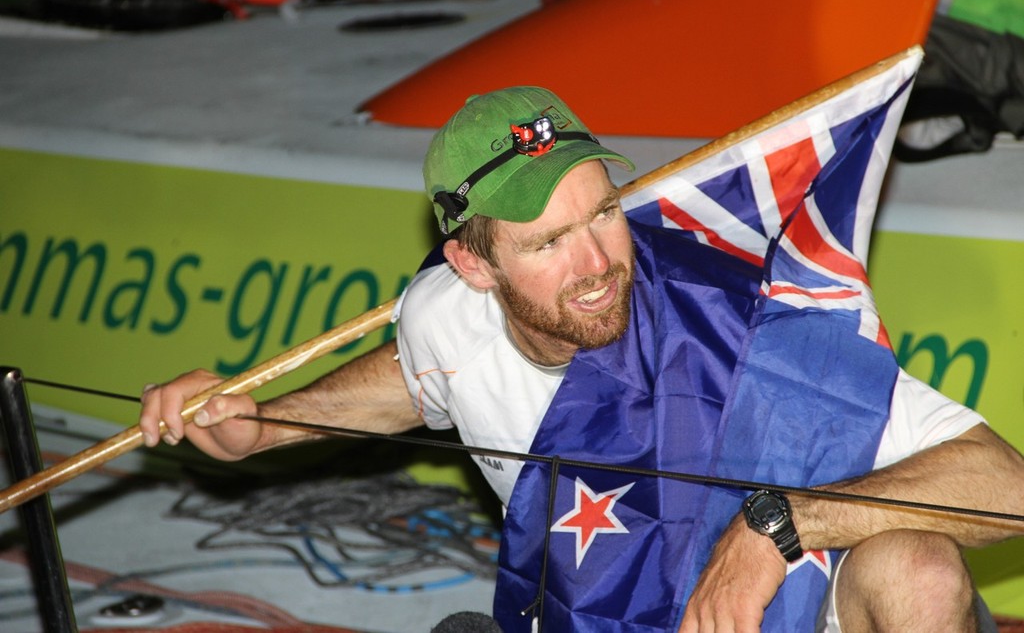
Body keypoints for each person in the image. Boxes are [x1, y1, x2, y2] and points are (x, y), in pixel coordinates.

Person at [141, 86, 1024, 632]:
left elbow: (1010, 490)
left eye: (603, 213)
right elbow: (411, 387)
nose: (597, 262)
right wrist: (256, 427)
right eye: (548, 242)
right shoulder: (444, 321)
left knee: (918, 567)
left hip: (798, 610)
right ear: (473, 266)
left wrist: (781, 524)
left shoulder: (745, 320)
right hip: (604, 616)